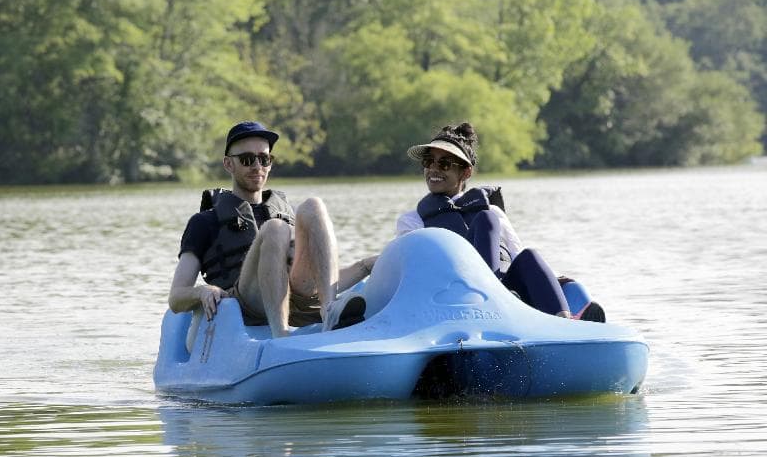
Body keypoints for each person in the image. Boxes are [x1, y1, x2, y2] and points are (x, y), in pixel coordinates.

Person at [169, 121, 374, 338]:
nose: (257, 166)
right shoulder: (204, 222)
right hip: (246, 306)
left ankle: (329, 309)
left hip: (298, 301)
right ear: (229, 164)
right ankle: (281, 335)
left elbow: (314, 276)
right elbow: (176, 298)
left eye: (264, 159)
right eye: (247, 160)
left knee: (314, 206)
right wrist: (201, 291)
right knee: (276, 228)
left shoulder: (288, 211)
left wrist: (363, 266)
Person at [398, 122, 603, 321]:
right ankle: (497, 299)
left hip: (507, 291)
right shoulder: (412, 220)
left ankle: (565, 323)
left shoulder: (491, 210)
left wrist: (556, 282)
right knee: (486, 219)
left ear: (466, 172)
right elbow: (413, 268)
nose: (434, 169)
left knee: (529, 255)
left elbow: (516, 255)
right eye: (428, 162)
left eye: (444, 164)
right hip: (456, 295)